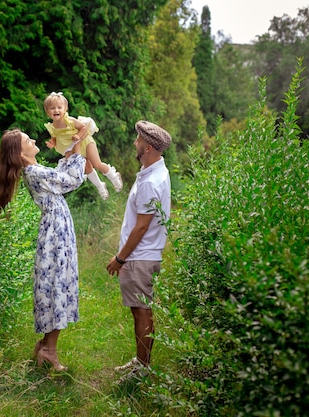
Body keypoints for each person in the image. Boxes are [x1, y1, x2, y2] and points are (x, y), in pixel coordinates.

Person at [0, 128, 86, 371]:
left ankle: (45, 345)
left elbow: (60, 176)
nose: (33, 140)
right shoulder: (34, 171)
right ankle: (49, 351)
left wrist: (70, 148)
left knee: (56, 284)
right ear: (20, 153)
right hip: (56, 234)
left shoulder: (36, 171)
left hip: (56, 231)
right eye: (27, 140)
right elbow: (73, 180)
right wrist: (78, 145)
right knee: (57, 286)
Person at [106, 120, 171, 381]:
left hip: (139, 257)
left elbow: (141, 227)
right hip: (146, 255)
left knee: (141, 312)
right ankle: (141, 362)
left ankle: (142, 370)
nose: (135, 143)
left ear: (149, 147)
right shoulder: (154, 172)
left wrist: (120, 258)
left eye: (139, 140)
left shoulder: (149, 181)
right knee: (141, 309)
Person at [43, 92, 123, 200]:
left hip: (84, 142)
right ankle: (100, 186)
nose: (56, 110)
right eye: (52, 108)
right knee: (87, 168)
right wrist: (52, 142)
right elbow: (55, 136)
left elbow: (83, 128)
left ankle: (113, 176)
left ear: (65, 108)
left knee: (97, 164)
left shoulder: (70, 120)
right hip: (73, 148)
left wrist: (78, 135)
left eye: (59, 107)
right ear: (47, 111)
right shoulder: (52, 126)